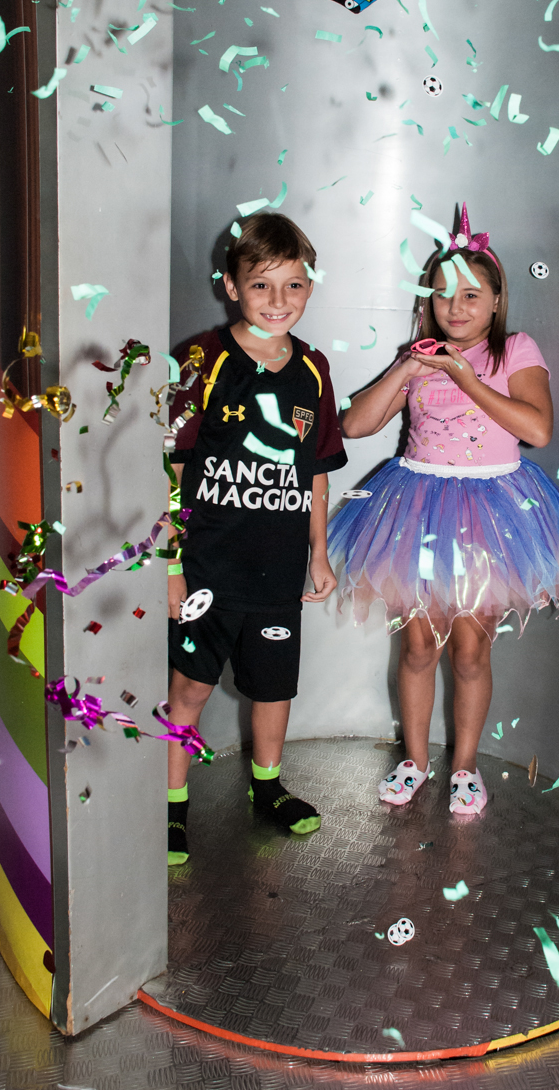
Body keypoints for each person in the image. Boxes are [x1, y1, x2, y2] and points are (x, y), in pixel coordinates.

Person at [328, 205, 559, 816]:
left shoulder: (517, 349)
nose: (458, 306)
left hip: (493, 512)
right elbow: (356, 423)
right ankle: (415, 761)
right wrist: (408, 365)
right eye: (444, 294)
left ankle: (464, 766)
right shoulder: (418, 353)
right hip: (415, 508)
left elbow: (538, 429)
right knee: (418, 647)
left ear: (497, 300)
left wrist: (463, 375)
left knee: (472, 649)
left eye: (472, 294)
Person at [165, 212, 347, 865]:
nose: (279, 302)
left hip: (276, 569)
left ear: (308, 287)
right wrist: (171, 567)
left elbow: (319, 473)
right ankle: (171, 805)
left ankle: (267, 789)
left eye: (294, 286)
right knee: (188, 688)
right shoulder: (201, 359)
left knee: (274, 689)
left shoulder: (315, 370)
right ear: (231, 286)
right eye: (262, 285)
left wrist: (318, 555)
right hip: (207, 566)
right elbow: (173, 465)